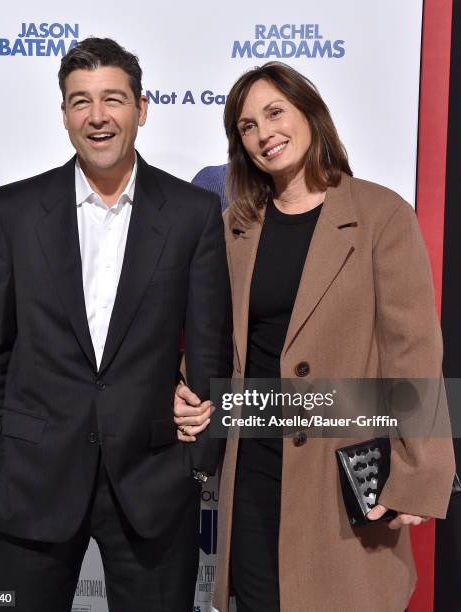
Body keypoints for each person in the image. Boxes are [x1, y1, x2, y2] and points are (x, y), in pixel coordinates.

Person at [174, 61, 455, 612]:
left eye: (274, 112)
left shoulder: (380, 214)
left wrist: (418, 473)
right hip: (253, 469)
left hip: (344, 474)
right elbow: (220, 336)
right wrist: (186, 388)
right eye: (246, 126)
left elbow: (414, 351)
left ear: (309, 112)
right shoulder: (237, 226)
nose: (263, 134)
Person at [0, 37, 232, 612]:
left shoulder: (192, 214)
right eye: (80, 100)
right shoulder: (12, 210)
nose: (97, 115)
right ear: (64, 115)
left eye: (113, 98)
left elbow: (210, 346)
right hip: (28, 483)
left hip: (154, 481)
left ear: (141, 107)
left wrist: (198, 457)